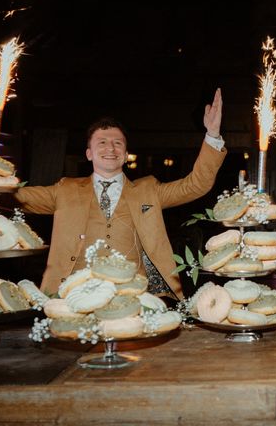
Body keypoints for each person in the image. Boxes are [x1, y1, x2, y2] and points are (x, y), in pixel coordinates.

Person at [15, 89, 227, 299]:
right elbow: (17, 197)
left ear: (126, 155)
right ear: (89, 154)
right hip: (72, 295)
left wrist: (213, 135)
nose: (111, 148)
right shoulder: (64, 189)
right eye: (102, 142)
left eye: (118, 143)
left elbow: (196, 185)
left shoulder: (149, 189)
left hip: (133, 295)